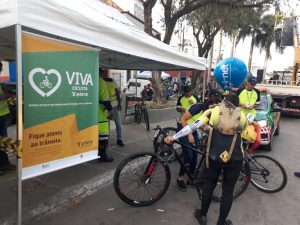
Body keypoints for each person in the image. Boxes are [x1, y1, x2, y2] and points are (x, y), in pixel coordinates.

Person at [165, 94, 248, 225]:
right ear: (237, 105)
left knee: (209, 185)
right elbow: (242, 130)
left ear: (224, 101)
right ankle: (221, 222)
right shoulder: (242, 116)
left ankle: (203, 216)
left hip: (214, 156)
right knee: (228, 190)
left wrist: (174, 137)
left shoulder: (213, 111)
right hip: (235, 158)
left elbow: (193, 126)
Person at [176, 100, 209, 191]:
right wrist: (189, 134)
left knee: (195, 155)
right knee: (189, 155)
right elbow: (182, 119)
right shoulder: (197, 108)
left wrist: (205, 128)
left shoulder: (206, 112)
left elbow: (198, 123)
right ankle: (180, 177)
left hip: (192, 130)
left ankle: (191, 178)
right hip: (183, 129)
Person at [236, 77, 261, 153]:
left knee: (249, 131)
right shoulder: (240, 91)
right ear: (247, 83)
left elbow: (258, 104)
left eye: (254, 84)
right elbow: (234, 102)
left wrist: (253, 106)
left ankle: (248, 149)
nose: (253, 86)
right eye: (251, 84)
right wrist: (242, 105)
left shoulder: (257, 92)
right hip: (240, 113)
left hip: (251, 114)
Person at [0, 61, 16, 174]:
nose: (1, 71)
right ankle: (4, 164)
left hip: (3, 115)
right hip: (0, 117)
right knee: (2, 141)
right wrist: (5, 96)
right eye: (0, 68)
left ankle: (4, 163)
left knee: (3, 141)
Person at [102, 69, 124, 147]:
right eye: (102, 73)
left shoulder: (111, 81)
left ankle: (119, 139)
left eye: (103, 72)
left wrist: (119, 104)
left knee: (118, 124)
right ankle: (106, 141)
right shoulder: (100, 82)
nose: (103, 74)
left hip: (114, 106)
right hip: (105, 107)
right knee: (106, 126)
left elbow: (117, 92)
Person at [98, 69, 113, 162]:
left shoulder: (89, 80)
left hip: (89, 113)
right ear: (102, 73)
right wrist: (111, 110)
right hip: (100, 114)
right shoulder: (101, 82)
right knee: (103, 136)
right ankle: (103, 155)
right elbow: (105, 99)